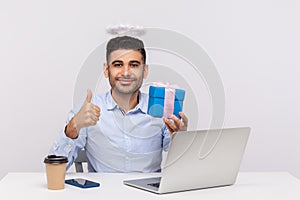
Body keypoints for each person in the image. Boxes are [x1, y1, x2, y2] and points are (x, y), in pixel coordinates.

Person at [49, 35, 188, 173]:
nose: (126, 73)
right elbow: (55, 170)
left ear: (144, 71)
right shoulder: (87, 110)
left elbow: (182, 172)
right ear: (106, 70)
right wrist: (72, 128)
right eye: (118, 65)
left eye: (134, 65)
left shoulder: (162, 110)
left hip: (148, 194)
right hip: (103, 194)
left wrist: (181, 140)